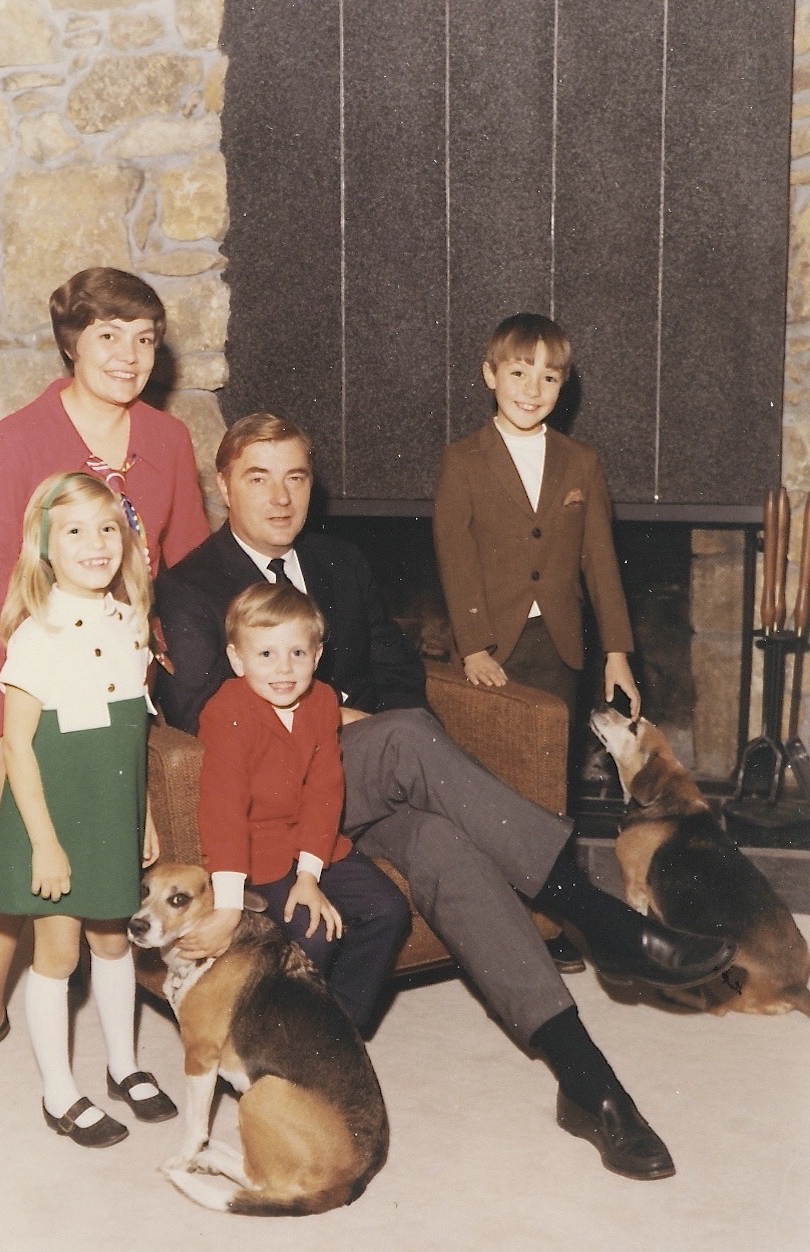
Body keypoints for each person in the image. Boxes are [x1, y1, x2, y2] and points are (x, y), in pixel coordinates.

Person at [153, 411, 735, 1182]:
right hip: (278, 795)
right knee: (402, 738)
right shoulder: (191, 585)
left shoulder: (342, 561)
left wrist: (383, 728)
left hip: (358, 788)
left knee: (443, 842)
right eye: (258, 477)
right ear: (224, 484)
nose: (281, 495)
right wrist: (350, 718)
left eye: (296, 475)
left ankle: (590, 1085)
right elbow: (200, 708)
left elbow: (402, 675)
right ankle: (598, 919)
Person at [0, 267, 209, 1096]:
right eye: (109, 335)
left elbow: (184, 569)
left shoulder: (169, 441)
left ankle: (90, 983)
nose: (130, 354)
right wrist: (64, 633)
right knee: (10, 797)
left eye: (145, 338)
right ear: (72, 343)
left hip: (116, 658)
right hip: (15, 653)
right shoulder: (17, 439)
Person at [433, 312, 640, 974]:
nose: (531, 388)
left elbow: (600, 563)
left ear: (564, 386)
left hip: (559, 645)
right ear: (490, 375)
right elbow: (454, 556)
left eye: (548, 377)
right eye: (518, 372)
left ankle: (547, 921)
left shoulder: (582, 462)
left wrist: (616, 652)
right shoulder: (462, 460)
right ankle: (487, 923)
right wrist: (473, 647)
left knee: (549, 787)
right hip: (490, 645)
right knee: (490, 783)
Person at [0, 473, 175, 1146]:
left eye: (106, 529)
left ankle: (123, 1063)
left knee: (114, 936)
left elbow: (131, 735)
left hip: (110, 803)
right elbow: (17, 746)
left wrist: (142, 810)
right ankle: (58, 1089)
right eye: (74, 530)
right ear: (44, 545)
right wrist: (44, 843)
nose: (95, 544)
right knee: (58, 951)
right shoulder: (40, 633)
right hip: (54, 813)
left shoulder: (128, 623)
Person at [196, 582, 410, 1031]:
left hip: (317, 842)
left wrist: (310, 875)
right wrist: (230, 904)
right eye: (266, 655)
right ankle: (286, 1036)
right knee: (314, 933)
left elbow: (324, 791)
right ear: (237, 660)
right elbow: (224, 811)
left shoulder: (323, 701)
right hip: (257, 852)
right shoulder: (226, 712)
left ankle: (339, 1031)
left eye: (297, 653)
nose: (284, 669)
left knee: (388, 910)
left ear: (317, 656)